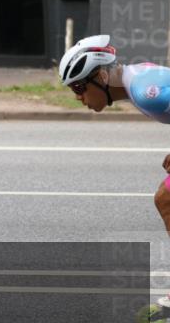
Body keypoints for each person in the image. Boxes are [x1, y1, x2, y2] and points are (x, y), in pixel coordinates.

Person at [58, 34, 170, 308]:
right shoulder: (136, 80)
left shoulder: (145, 92)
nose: (78, 97)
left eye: (79, 87)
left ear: (101, 76)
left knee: (166, 200)